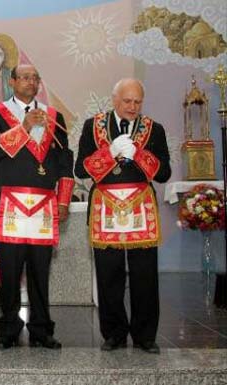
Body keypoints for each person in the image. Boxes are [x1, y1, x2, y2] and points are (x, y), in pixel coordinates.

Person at [0, 64, 74, 349]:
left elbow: (64, 160)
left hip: (44, 203)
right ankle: (8, 329)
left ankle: (42, 330)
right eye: (24, 77)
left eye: (35, 77)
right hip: (10, 202)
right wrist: (24, 127)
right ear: (12, 81)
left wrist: (64, 200)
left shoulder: (53, 115)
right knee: (9, 271)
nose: (30, 82)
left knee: (39, 271)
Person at [74, 78, 171, 354]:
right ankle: (114, 333)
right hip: (105, 207)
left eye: (137, 102)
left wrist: (139, 154)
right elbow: (80, 170)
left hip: (141, 206)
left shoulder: (155, 129)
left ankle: (145, 336)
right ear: (114, 100)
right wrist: (110, 152)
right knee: (108, 274)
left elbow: (164, 173)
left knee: (145, 274)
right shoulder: (92, 126)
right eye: (127, 101)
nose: (132, 106)